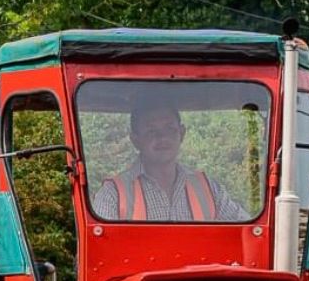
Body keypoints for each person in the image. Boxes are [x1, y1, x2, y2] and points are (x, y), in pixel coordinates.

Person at [92, 94, 249, 222]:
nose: (163, 137)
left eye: (170, 128)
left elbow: (246, 231)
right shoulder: (113, 193)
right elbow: (99, 251)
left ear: (182, 133)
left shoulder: (208, 188)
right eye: (151, 131)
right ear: (135, 140)